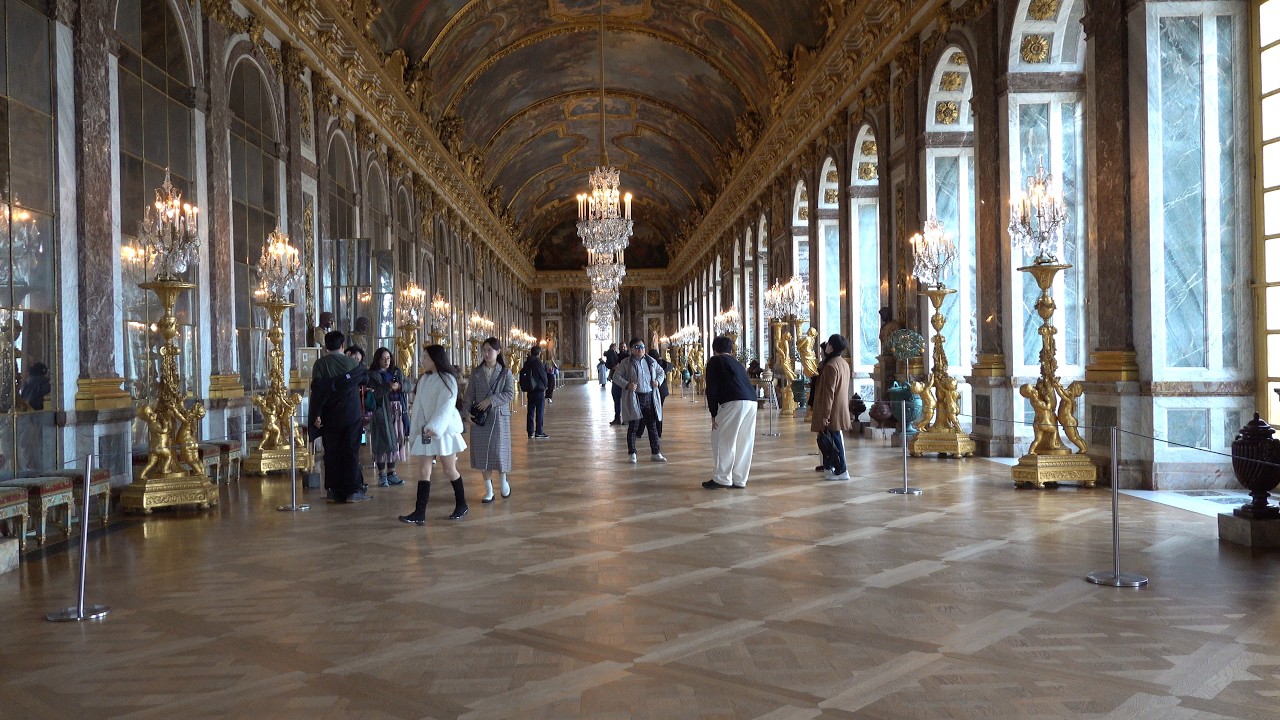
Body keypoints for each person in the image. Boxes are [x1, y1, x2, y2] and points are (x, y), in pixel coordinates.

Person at [399, 344, 469, 524]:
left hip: (444, 430)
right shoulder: (424, 380)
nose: (422, 360)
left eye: (425, 357)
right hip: (426, 430)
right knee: (423, 470)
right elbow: (419, 408)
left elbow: (446, 406)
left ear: (435, 359)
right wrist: (417, 429)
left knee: (449, 468)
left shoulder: (448, 379)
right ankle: (419, 512)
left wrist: (435, 426)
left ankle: (462, 504)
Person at [309, 330, 370, 502]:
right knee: (351, 451)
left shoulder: (320, 364)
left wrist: (317, 414)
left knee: (331, 452)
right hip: (351, 413)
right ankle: (352, 491)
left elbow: (318, 391)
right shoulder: (351, 363)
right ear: (342, 345)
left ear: (326, 346)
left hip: (330, 414)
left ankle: (333, 490)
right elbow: (364, 379)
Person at [463, 337, 516, 503]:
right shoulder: (476, 373)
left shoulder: (505, 373)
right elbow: (468, 395)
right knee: (482, 453)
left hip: (498, 418)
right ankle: (489, 489)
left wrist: (491, 400)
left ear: (498, 352)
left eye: (489, 350)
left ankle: (503, 481)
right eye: (484, 350)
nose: (486, 353)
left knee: (499, 452)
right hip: (480, 419)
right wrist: (466, 413)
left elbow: (509, 393)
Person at [702, 335, 758, 489]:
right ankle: (740, 479)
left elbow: (711, 389)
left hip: (733, 401)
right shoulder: (737, 363)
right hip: (752, 401)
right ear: (731, 350)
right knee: (744, 441)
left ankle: (722, 478)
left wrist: (713, 413)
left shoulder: (715, 361)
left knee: (722, 438)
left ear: (714, 349)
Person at [612, 338, 666, 463]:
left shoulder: (650, 361)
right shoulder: (626, 362)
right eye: (637, 347)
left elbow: (661, 372)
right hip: (635, 397)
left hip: (650, 396)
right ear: (631, 349)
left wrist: (658, 381)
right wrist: (627, 384)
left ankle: (656, 452)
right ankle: (632, 453)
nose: (640, 349)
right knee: (634, 426)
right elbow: (616, 376)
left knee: (652, 426)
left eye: (642, 347)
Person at [811, 334, 853, 481]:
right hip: (840, 408)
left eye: (828, 344)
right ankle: (830, 468)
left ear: (832, 346)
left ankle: (841, 469)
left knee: (833, 441)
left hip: (832, 409)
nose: (826, 346)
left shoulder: (830, 366)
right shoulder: (844, 364)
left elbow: (829, 393)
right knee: (831, 440)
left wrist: (825, 415)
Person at [367, 347, 407, 487]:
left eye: (388, 358)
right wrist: (389, 387)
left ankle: (392, 473)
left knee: (395, 440)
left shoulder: (396, 372)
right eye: (383, 358)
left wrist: (400, 385)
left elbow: (407, 385)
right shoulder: (372, 375)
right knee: (382, 441)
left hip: (397, 410)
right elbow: (374, 393)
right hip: (381, 411)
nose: (386, 361)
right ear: (377, 360)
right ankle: (382, 474)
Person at [637, 348, 671, 439]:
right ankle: (659, 432)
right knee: (659, 410)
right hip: (663, 390)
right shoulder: (663, 363)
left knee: (646, 412)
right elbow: (670, 366)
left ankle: (639, 432)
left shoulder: (651, 364)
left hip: (654, 390)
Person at [520, 345, 550, 439]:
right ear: (539, 353)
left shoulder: (527, 362)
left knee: (530, 411)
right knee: (540, 411)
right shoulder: (537, 362)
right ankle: (539, 432)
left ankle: (530, 432)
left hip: (530, 390)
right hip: (538, 390)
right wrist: (546, 385)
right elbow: (543, 375)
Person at [607, 342, 625, 425]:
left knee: (625, 401)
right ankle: (617, 418)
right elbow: (609, 364)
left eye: (624, 347)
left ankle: (626, 419)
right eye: (621, 347)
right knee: (616, 401)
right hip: (616, 381)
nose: (622, 348)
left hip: (624, 382)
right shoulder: (616, 356)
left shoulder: (628, 357)